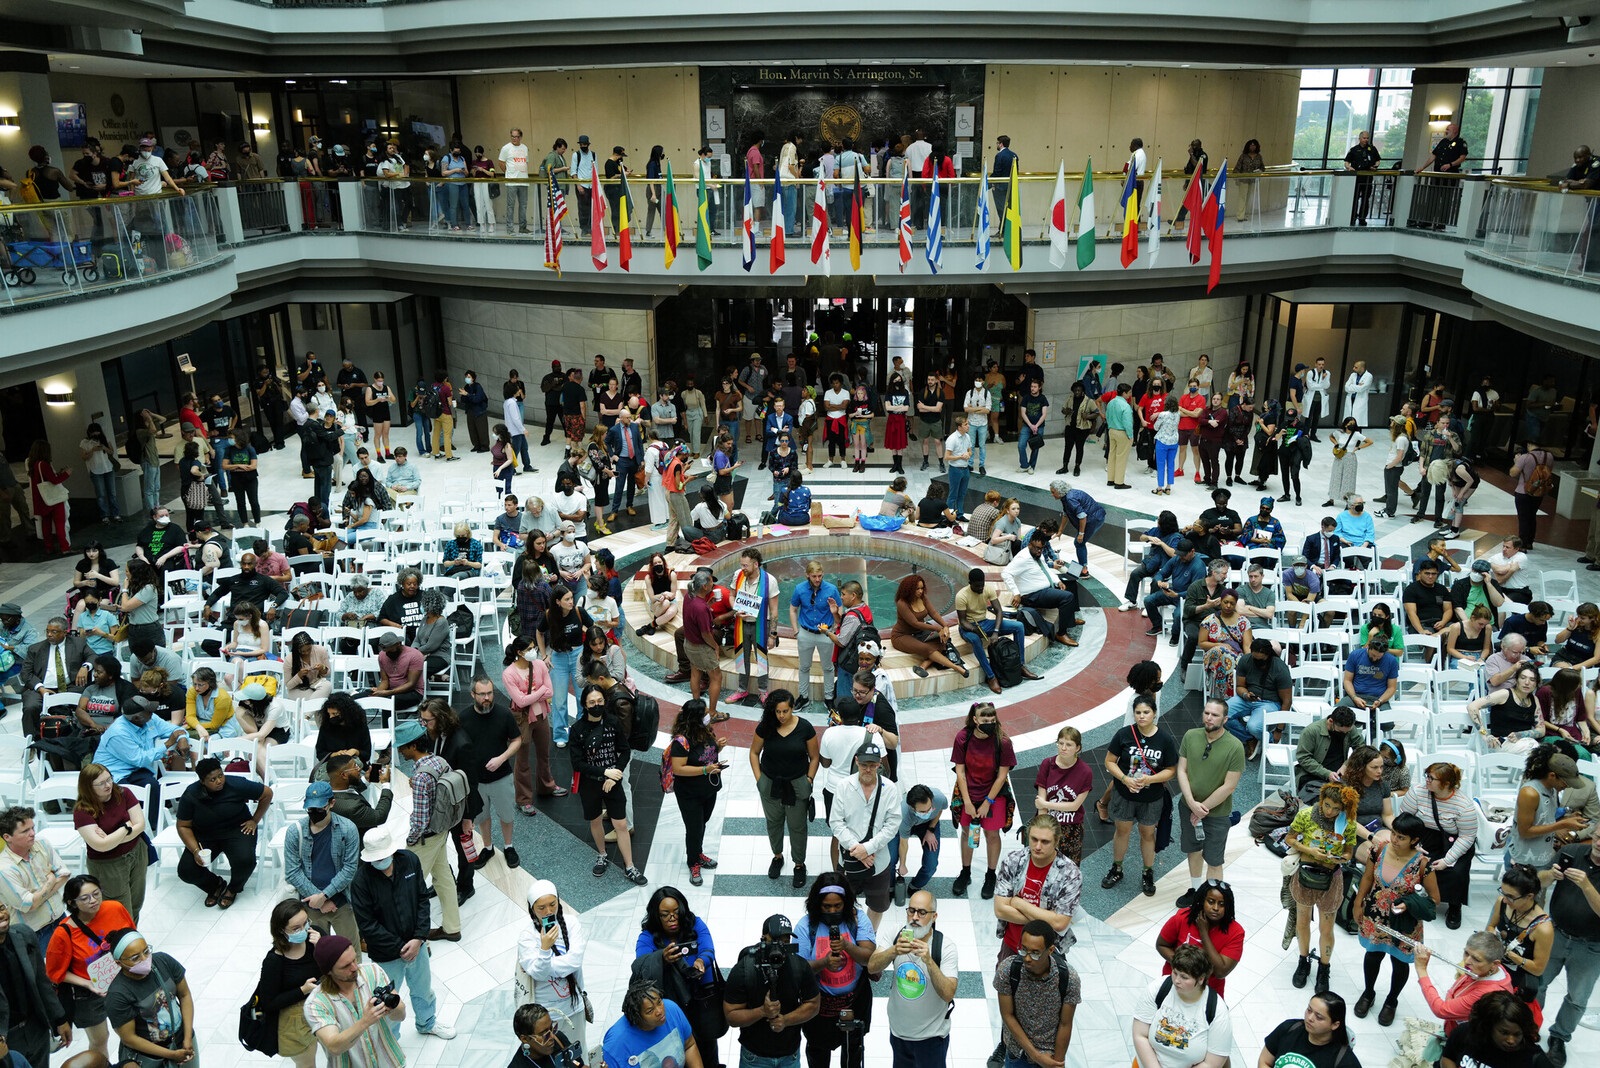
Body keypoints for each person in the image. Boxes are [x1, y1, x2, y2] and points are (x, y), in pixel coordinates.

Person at [46, 874, 131, 1062]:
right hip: (89, 996)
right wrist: (87, 983)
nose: (93, 901)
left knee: (130, 1032)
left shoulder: (115, 908)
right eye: (85, 898)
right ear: (72, 902)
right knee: (100, 1040)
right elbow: (54, 973)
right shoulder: (64, 933)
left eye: (96, 894)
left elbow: (131, 937)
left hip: (122, 983)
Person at [1286, 784, 1360, 996]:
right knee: (1302, 922)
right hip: (1306, 874)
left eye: (1336, 809)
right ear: (1321, 799)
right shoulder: (1306, 815)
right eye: (1326, 805)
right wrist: (1308, 849)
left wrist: (1340, 858)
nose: (1330, 811)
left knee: (1326, 928)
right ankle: (1303, 960)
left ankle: (1324, 969)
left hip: (1331, 877)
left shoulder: (1348, 823)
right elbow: (1289, 838)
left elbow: (1348, 852)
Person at [569, 684, 647, 885]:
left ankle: (629, 866)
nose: (597, 705)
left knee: (621, 824)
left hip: (613, 782)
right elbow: (578, 763)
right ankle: (602, 854)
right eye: (592, 702)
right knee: (595, 821)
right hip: (591, 784)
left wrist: (614, 777)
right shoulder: (577, 730)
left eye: (600, 701)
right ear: (585, 705)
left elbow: (625, 751)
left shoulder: (613, 723)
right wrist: (604, 772)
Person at [1102, 694, 1178, 896]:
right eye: (1138, 712)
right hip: (1124, 795)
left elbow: (1171, 769)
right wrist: (1125, 779)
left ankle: (1147, 871)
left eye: (1146, 712)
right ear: (1133, 714)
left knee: (1147, 833)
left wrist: (1149, 780)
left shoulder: (1165, 739)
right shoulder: (1124, 734)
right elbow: (1109, 761)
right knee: (1122, 831)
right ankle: (1117, 868)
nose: (1142, 716)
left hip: (1151, 797)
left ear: (1154, 713)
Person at [723, 913, 821, 1068]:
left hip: (790, 1055)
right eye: (774, 940)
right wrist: (762, 1011)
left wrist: (786, 1020)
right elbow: (731, 1016)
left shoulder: (799, 966)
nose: (779, 947)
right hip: (755, 1057)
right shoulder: (744, 969)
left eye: (785, 940)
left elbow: (814, 1005)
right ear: (763, 939)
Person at [174, 756, 273, 909]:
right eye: (213, 779)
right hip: (206, 834)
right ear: (202, 782)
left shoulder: (236, 784)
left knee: (245, 861)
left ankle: (233, 888)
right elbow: (183, 826)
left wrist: (254, 820)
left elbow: (267, 793)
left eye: (220, 775)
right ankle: (215, 885)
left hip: (237, 829)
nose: (219, 781)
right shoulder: (191, 794)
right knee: (186, 871)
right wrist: (195, 851)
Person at [1176, 700, 1245, 904]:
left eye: (1214, 715)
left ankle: (1211, 900)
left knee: (1214, 859)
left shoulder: (1235, 747)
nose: (1209, 718)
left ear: (1225, 719)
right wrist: (1190, 801)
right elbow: (1182, 770)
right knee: (1193, 849)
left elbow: (1229, 786)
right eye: (1206, 713)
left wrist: (1202, 808)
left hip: (1217, 814)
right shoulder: (1191, 736)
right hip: (1188, 807)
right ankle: (1196, 891)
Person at [303, 932, 408, 1067]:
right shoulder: (316, 1003)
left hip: (389, 1061)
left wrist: (395, 1007)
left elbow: (400, 1016)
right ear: (328, 971)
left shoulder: (373, 972)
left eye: (354, 959)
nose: (354, 968)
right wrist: (365, 1021)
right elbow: (334, 1046)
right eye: (346, 966)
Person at [751, 690, 819, 889]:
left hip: (797, 784)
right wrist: (759, 780)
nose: (781, 716)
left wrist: (809, 779)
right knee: (774, 822)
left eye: (785, 711)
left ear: (792, 708)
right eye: (778, 712)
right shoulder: (766, 726)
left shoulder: (804, 727)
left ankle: (799, 864)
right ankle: (778, 856)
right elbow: (754, 753)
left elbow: (814, 757)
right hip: (770, 783)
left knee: (797, 826)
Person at [284, 781, 362, 948]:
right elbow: (292, 871)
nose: (314, 813)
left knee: (349, 949)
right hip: (310, 903)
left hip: (341, 902)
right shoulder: (294, 832)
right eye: (310, 809)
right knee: (316, 952)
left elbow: (349, 869)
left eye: (319, 809)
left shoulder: (348, 829)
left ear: (331, 803)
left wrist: (325, 895)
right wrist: (319, 900)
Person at [105, 928, 195, 1068]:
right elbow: (129, 1038)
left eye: (146, 951)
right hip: (151, 1056)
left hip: (182, 1040)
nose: (144, 959)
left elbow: (184, 995)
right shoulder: (118, 994)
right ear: (118, 963)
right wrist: (171, 1055)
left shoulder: (163, 961)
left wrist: (188, 1038)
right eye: (135, 958)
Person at [1132, 944, 1233, 1068]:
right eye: (1175, 973)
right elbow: (1140, 1035)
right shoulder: (1159, 988)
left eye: (1184, 977)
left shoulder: (1217, 1010)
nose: (1177, 980)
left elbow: (1212, 1063)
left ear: (1201, 979)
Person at [994, 919, 1078, 1068]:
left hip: (1050, 1055)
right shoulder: (1008, 970)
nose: (1027, 957)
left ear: (1050, 950)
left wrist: (1057, 1063)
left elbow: (1065, 1023)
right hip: (1017, 1053)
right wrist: (1035, 1055)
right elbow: (1007, 1015)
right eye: (1023, 949)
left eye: (1035, 953)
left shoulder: (1068, 978)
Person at [461, 676, 524, 870]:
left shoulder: (504, 714)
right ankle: (488, 847)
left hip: (502, 776)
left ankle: (508, 846)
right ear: (473, 694)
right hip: (476, 780)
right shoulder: (463, 718)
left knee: (506, 814)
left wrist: (501, 758)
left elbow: (516, 740)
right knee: (482, 816)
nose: (487, 698)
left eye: (490, 693)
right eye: (482, 694)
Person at [72, 764, 149, 921]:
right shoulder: (82, 811)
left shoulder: (123, 793)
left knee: (136, 902)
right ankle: (124, 942)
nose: (108, 785)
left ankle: (133, 939)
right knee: (119, 908)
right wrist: (126, 827)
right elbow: (101, 846)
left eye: (109, 779)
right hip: (108, 864)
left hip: (136, 852)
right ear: (88, 787)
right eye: (101, 783)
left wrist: (110, 838)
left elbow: (140, 825)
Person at [1415, 932, 1516, 1036]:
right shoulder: (1486, 970)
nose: (1467, 961)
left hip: (1465, 1041)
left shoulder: (1488, 993)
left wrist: (1421, 969)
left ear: (1494, 964)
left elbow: (1441, 1010)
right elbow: (1453, 990)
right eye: (1466, 953)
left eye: (1476, 959)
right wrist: (1452, 1003)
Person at [1157, 879, 1245, 995]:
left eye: (1222, 904)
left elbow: (1220, 971)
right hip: (1175, 984)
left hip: (1207, 991)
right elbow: (1161, 944)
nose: (1215, 908)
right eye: (1211, 901)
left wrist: (1204, 932)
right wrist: (1182, 968)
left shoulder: (1236, 932)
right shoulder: (1183, 917)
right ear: (1202, 901)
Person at [604, 982, 704, 1068]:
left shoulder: (671, 1009)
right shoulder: (616, 1044)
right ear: (637, 1017)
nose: (660, 1011)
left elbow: (689, 1045)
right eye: (650, 1010)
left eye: (659, 1002)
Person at [1224, 639, 1292, 757]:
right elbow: (1240, 686)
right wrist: (1246, 694)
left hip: (1270, 702)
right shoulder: (1246, 660)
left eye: (1261, 659)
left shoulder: (1280, 668)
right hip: (1247, 698)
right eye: (1255, 658)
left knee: (1254, 727)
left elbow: (1287, 701)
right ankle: (1250, 739)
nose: (1257, 662)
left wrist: (1278, 731)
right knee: (1222, 714)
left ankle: (1266, 739)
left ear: (1268, 655)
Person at [1259, 994, 1360, 1068]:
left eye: (1319, 1017)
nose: (1310, 1018)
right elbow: (1264, 1061)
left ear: (1335, 1025)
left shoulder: (1344, 1061)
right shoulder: (1288, 1028)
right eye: (1309, 1010)